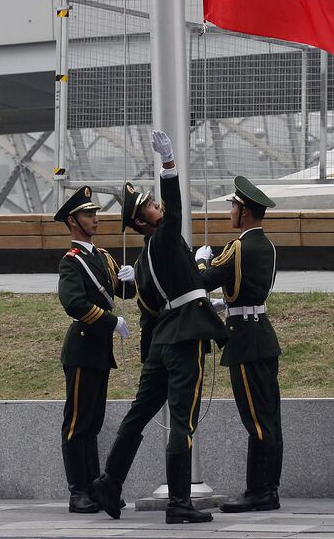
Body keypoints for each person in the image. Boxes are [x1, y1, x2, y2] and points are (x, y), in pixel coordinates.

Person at [90, 130, 228, 525]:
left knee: (139, 414)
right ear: (141, 220)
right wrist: (168, 165)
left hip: (162, 344)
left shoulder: (147, 256)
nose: (157, 207)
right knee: (183, 419)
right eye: (149, 206)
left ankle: (110, 482)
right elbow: (177, 207)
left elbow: (153, 307)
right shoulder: (165, 238)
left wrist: (201, 289)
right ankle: (180, 504)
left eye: (153, 202)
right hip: (184, 341)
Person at [195, 176, 283, 513]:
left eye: (233, 206)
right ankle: (268, 488)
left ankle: (259, 491)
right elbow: (248, 289)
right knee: (269, 418)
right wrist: (226, 304)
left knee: (257, 420)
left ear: (244, 212)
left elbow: (204, 279)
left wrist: (202, 259)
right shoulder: (267, 246)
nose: (230, 211)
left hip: (246, 341)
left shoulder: (238, 247)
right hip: (262, 333)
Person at [56, 185, 135, 514]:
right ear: (73, 221)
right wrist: (109, 321)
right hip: (83, 346)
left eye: (95, 213)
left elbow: (126, 292)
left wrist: (132, 277)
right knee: (76, 424)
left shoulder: (102, 257)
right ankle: (79, 491)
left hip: (99, 352)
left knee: (93, 423)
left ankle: (94, 488)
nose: (95, 219)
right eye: (89, 214)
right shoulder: (71, 261)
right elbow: (73, 303)